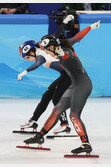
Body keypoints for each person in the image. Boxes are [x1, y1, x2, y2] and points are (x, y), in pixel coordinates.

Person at [24, 18, 100, 154]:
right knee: (57, 109)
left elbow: (67, 56)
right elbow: (77, 37)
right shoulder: (63, 44)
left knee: (74, 115)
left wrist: (61, 54)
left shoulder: (66, 52)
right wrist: (91, 27)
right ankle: (40, 136)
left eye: (47, 51)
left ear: (52, 47)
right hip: (74, 84)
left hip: (83, 85)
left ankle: (85, 144)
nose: (46, 53)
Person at [18, 40, 71, 134]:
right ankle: (33, 121)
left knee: (56, 99)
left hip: (70, 76)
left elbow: (37, 64)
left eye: (27, 57)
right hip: (65, 75)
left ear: (31, 52)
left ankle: (64, 125)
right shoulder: (40, 52)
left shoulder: (40, 55)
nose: (27, 60)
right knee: (46, 96)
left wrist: (23, 73)